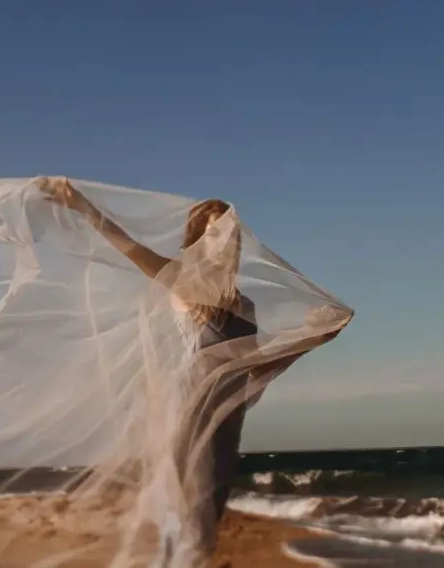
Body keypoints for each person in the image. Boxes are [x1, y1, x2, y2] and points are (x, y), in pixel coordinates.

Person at [35, 177, 342, 556]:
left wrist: (312, 336)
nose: (223, 241)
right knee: (195, 536)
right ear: (196, 239)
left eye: (229, 234)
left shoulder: (245, 304)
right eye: (213, 234)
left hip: (227, 422)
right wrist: (81, 205)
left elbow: (254, 368)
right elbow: (130, 247)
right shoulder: (183, 282)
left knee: (202, 529)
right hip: (192, 414)